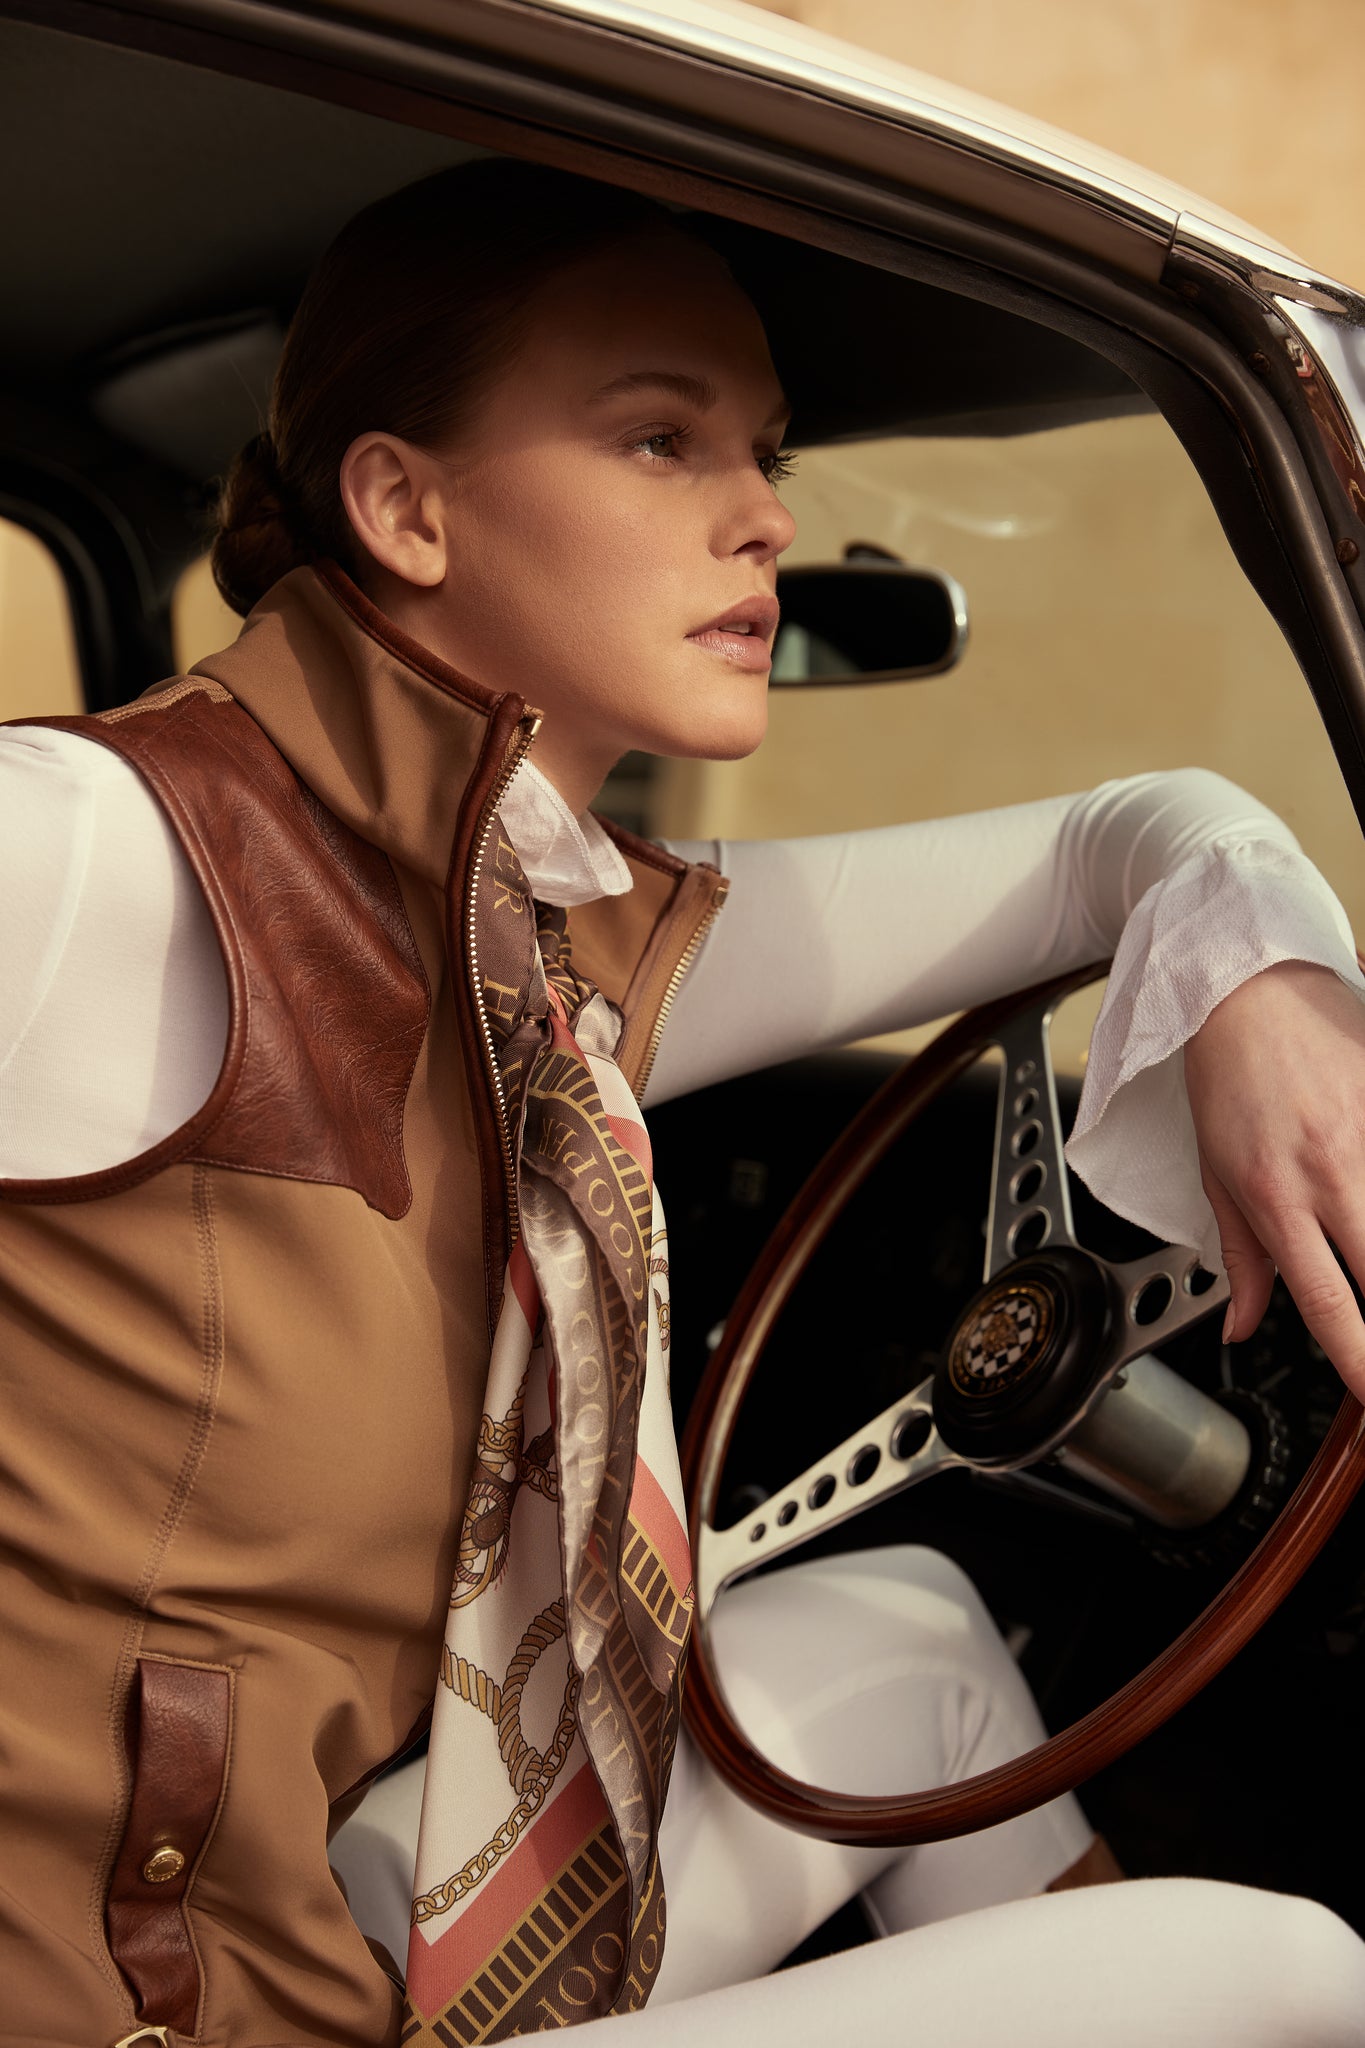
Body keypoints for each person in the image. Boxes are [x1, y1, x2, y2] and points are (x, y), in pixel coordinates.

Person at [3, 156, 1365, 2048]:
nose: (762, 518)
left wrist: (1270, 985)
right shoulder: (97, 851)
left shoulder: (548, 947)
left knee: (913, 1636)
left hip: (280, 1926)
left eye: (768, 451)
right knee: (1291, 1975)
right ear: (404, 506)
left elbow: (1127, 841)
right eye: (659, 441)